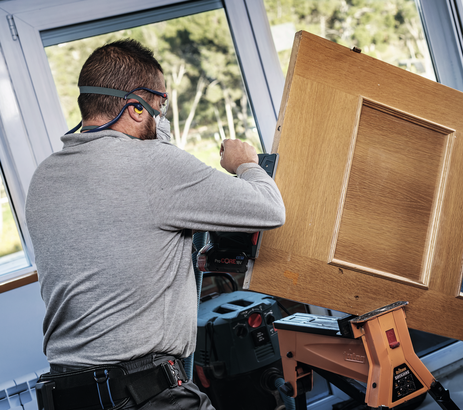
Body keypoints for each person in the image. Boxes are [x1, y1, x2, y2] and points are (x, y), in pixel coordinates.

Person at [25, 39, 285, 410]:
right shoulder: (153, 166)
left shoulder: (45, 176)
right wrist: (246, 163)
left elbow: (111, 240)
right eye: (160, 106)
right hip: (146, 394)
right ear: (134, 106)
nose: (161, 118)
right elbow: (270, 209)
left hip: (69, 394)